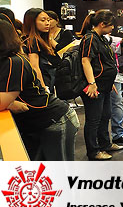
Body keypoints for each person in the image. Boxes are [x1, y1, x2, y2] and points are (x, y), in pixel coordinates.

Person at [0, 19, 79, 161]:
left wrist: (9, 103)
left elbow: (2, 102)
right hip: (36, 122)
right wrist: (10, 103)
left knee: (59, 170)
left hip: (53, 120)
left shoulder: (14, 62)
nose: (47, 23)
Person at [80, 10, 122, 160]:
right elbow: (86, 61)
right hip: (95, 86)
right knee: (94, 120)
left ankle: (105, 144)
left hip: (105, 85)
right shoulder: (90, 38)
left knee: (105, 116)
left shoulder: (102, 39)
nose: (113, 28)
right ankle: (93, 151)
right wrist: (92, 83)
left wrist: (110, 82)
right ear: (102, 24)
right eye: (111, 25)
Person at [23, 8, 60, 93]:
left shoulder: (40, 39)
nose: (47, 23)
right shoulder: (32, 40)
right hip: (40, 83)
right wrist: (43, 88)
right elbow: (34, 66)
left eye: (48, 20)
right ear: (32, 22)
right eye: (43, 20)